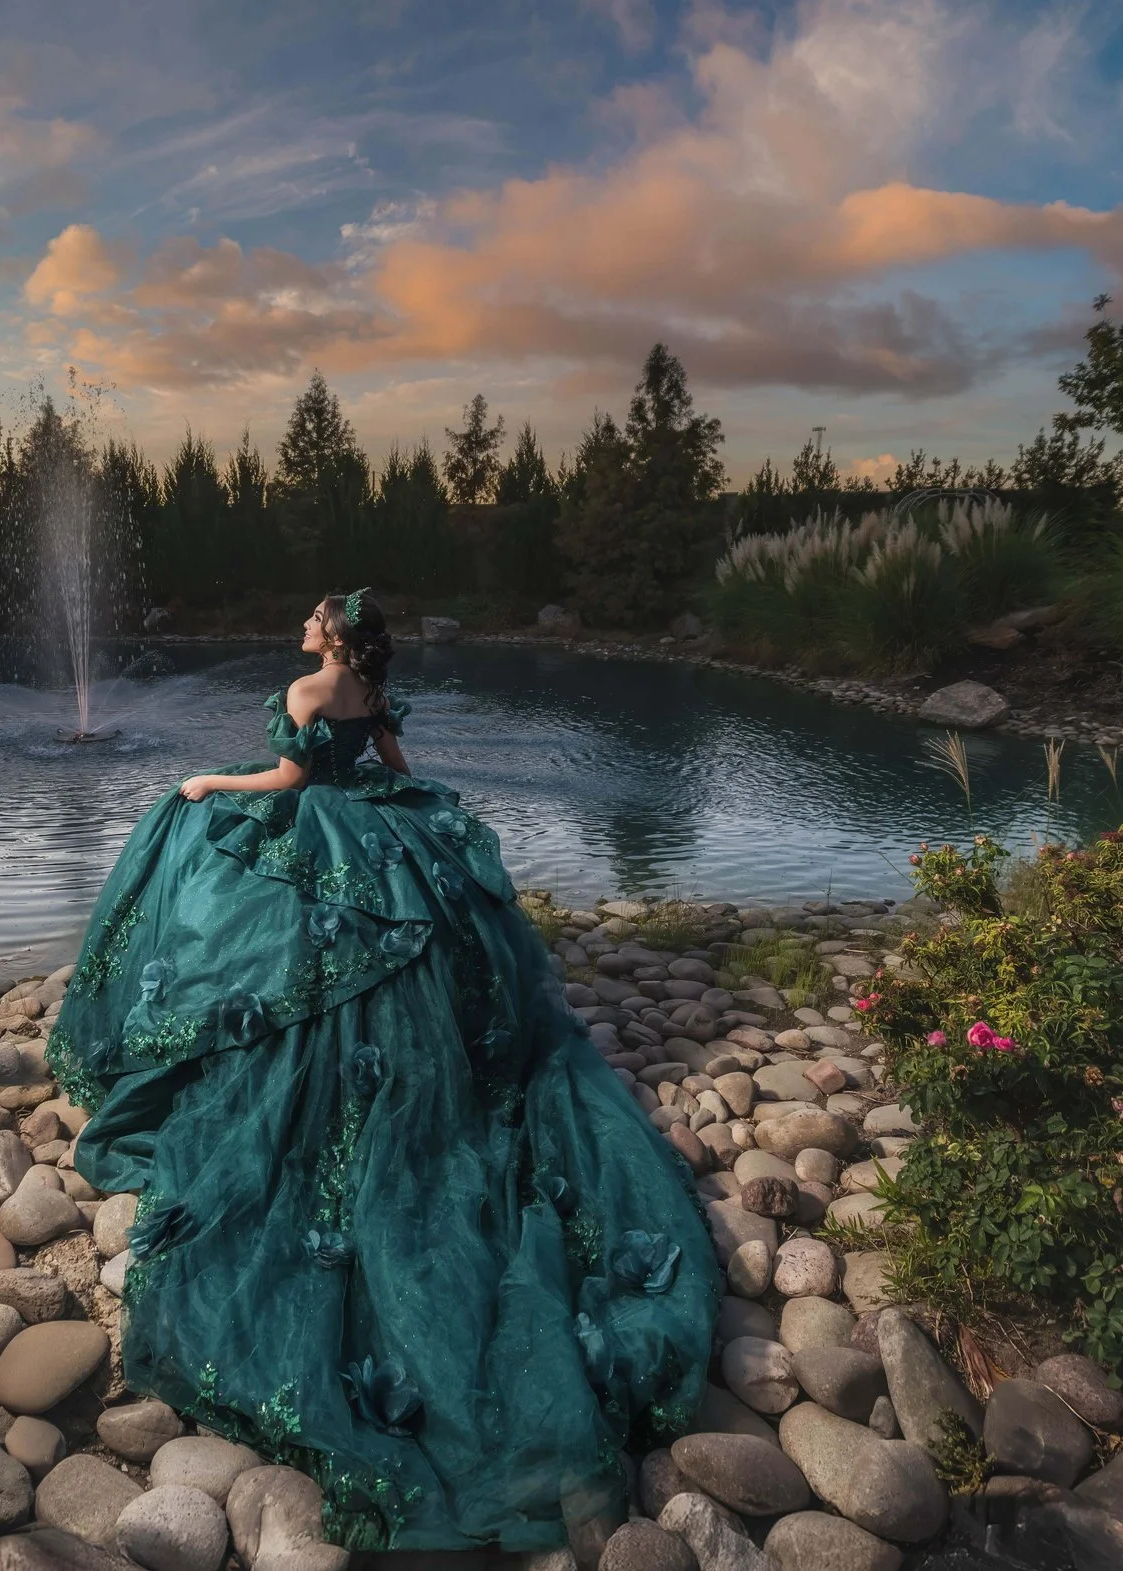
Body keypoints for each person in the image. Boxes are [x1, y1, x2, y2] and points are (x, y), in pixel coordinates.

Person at [46, 588, 719, 1555]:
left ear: (330, 635)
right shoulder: (369, 688)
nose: (302, 622)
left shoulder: (310, 687)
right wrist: (397, 803)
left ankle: (282, 1064)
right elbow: (399, 767)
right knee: (407, 956)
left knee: (232, 890)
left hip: (317, 822)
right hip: (378, 825)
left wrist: (202, 784)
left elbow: (283, 780)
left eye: (313, 616)